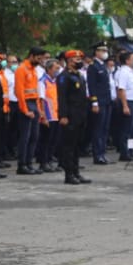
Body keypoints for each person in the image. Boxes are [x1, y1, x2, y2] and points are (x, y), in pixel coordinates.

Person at [57, 50, 92, 185]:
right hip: (70, 115)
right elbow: (62, 98)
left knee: (77, 145)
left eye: (80, 59)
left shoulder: (79, 75)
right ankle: (69, 174)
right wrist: (63, 115)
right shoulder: (64, 76)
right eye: (77, 59)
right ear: (70, 61)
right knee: (69, 146)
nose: (80, 61)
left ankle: (76, 172)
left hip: (80, 115)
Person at [14, 47, 43, 175]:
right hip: (26, 104)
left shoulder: (34, 70)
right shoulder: (22, 69)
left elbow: (35, 91)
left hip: (34, 104)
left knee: (34, 136)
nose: (40, 60)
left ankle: (29, 163)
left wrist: (39, 109)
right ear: (31, 56)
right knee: (25, 137)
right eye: (38, 58)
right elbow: (19, 91)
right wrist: (25, 110)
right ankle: (22, 164)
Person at [114, 51, 133, 162]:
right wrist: (125, 105)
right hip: (128, 102)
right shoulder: (123, 72)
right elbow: (121, 89)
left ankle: (131, 151)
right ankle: (124, 153)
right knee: (126, 129)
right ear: (127, 61)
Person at [87, 43, 113, 165]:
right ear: (96, 52)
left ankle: (102, 153)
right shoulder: (93, 67)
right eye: (103, 50)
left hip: (106, 101)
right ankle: (97, 155)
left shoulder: (103, 66)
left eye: (106, 50)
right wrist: (95, 102)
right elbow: (92, 86)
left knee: (105, 129)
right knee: (98, 129)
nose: (105, 52)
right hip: (99, 102)